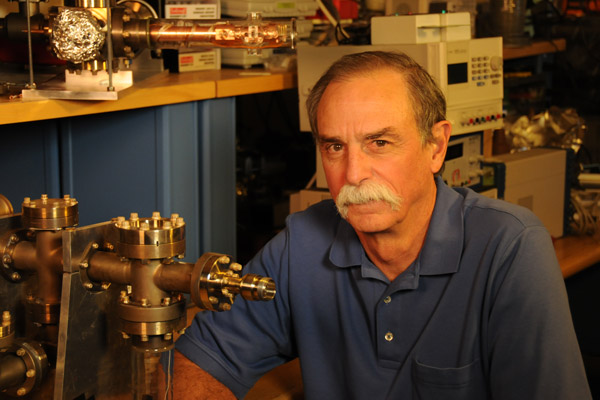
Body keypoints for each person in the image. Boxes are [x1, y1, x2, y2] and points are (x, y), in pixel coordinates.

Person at [164, 51, 592, 399]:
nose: (353, 174)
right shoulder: (302, 244)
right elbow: (200, 361)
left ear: (436, 146)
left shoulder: (510, 247)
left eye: (380, 143)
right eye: (335, 146)